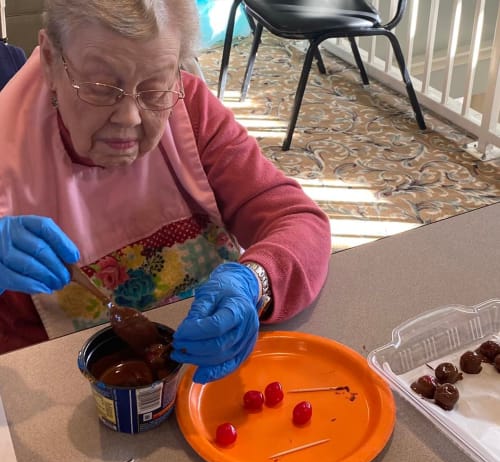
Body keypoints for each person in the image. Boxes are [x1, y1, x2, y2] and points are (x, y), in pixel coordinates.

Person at [0, 0, 331, 383]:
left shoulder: (190, 111)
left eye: (154, 89)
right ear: (50, 60)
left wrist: (255, 281)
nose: (129, 118)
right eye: (101, 88)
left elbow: (297, 220)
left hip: (209, 373)